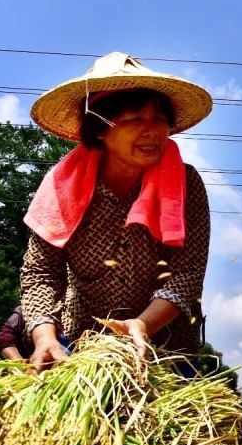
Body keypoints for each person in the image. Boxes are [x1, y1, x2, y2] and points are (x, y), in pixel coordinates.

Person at [21, 52, 212, 371]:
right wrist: (44, 337)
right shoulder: (61, 186)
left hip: (165, 349)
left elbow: (187, 273)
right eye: (135, 120)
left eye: (160, 119)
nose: (152, 131)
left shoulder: (185, 183)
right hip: (83, 344)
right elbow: (40, 273)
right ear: (100, 129)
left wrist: (142, 325)